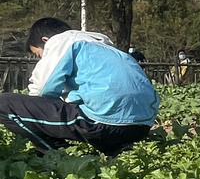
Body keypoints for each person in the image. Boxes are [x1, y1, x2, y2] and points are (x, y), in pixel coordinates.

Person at [0, 17, 158, 156]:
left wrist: (37, 113)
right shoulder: (108, 48)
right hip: (141, 127)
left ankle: (56, 155)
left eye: (38, 54)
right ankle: (115, 149)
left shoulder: (63, 41)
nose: (41, 59)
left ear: (45, 40)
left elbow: (42, 88)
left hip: (103, 124)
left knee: (4, 104)